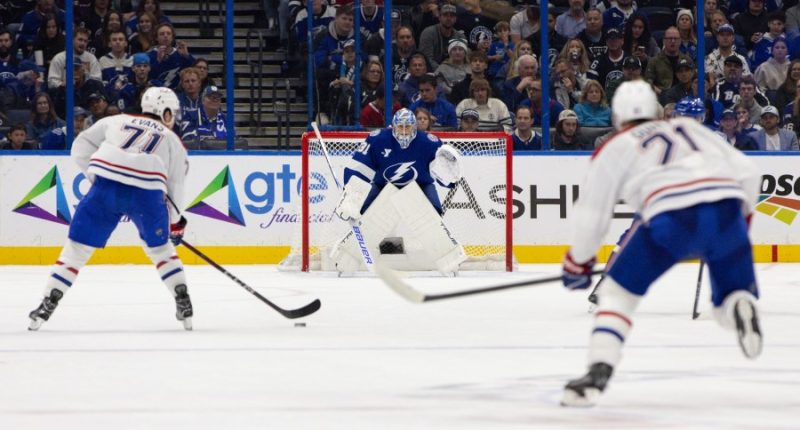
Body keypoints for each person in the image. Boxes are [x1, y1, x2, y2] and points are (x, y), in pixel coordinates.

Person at [560, 80, 763, 407]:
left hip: (671, 219)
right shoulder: (689, 128)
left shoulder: (615, 146)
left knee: (616, 295)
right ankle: (741, 303)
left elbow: (593, 212)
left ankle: (597, 373)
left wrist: (578, 262)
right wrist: (740, 224)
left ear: (617, 115)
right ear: (657, 110)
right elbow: (750, 173)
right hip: (726, 212)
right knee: (729, 301)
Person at [28, 86, 193, 331]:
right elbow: (176, 186)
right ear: (165, 111)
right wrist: (174, 222)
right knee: (160, 250)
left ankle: (47, 302)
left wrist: (96, 177)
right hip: (146, 193)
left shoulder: (115, 120)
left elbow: (80, 146)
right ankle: (183, 298)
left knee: (76, 250)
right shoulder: (173, 141)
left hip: (106, 187)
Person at [330, 108, 466, 274]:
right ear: (392, 126)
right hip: (382, 184)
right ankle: (348, 259)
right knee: (363, 212)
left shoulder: (430, 143)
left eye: (407, 127)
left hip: (421, 184)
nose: (403, 131)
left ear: (414, 127)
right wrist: (351, 195)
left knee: (435, 215)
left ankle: (449, 261)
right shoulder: (378, 139)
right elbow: (360, 167)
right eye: (399, 127)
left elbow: (444, 175)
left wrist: (451, 178)